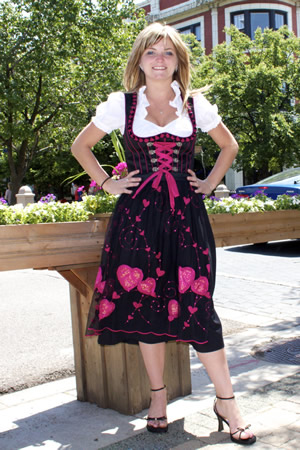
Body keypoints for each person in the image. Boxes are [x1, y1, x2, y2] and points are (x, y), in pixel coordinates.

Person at [71, 23, 256, 445]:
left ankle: (226, 400)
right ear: (139, 60)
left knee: (199, 305)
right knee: (144, 303)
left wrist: (208, 183)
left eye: (168, 53)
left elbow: (229, 146)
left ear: (178, 62)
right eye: (151, 52)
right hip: (136, 221)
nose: (159, 60)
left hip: (187, 220)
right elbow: (81, 146)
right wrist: (106, 182)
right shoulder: (122, 105)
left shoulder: (196, 105)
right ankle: (159, 397)